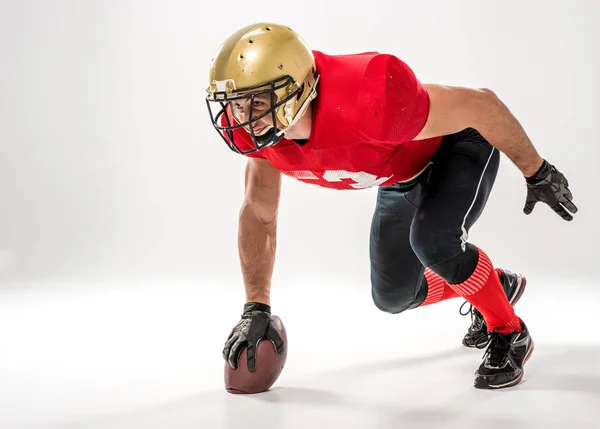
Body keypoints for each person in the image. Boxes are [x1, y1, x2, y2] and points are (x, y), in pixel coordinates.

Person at [205, 22, 577, 389]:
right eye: (236, 104)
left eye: (256, 102)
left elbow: (481, 105)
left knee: (434, 242)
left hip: (457, 145)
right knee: (394, 296)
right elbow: (259, 213)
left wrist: (537, 171)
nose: (243, 118)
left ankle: (509, 331)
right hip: (402, 174)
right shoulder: (260, 134)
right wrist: (256, 306)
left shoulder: (370, 96)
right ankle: (490, 286)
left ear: (299, 89)